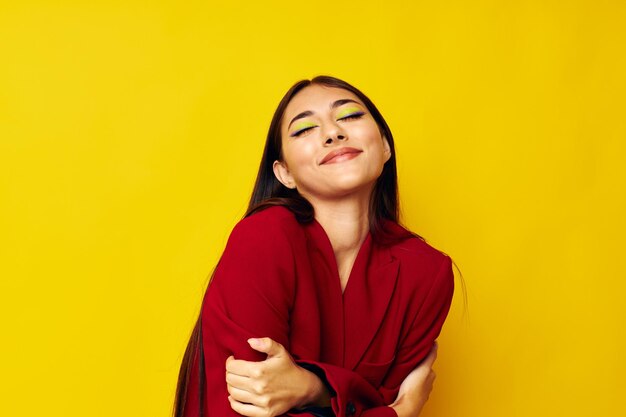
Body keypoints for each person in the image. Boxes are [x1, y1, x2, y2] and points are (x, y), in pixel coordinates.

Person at [173, 75, 455, 417]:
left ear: (384, 147)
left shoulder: (426, 273)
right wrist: (401, 411)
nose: (333, 133)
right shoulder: (263, 237)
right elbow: (251, 407)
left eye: (350, 116)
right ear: (284, 173)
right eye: (304, 128)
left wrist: (311, 388)